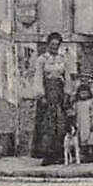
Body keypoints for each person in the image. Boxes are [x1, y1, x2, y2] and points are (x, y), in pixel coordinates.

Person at [30, 33, 73, 164]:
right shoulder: (42, 59)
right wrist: (41, 95)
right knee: (47, 124)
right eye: (52, 44)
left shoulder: (63, 59)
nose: (54, 47)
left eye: (57, 45)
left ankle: (59, 153)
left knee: (60, 123)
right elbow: (37, 77)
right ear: (48, 45)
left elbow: (67, 77)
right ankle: (47, 154)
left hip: (59, 93)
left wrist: (67, 93)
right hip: (47, 93)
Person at [71, 81, 93, 161]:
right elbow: (74, 112)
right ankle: (83, 155)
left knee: (90, 140)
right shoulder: (77, 103)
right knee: (81, 140)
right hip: (81, 124)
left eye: (86, 93)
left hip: (89, 124)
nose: (84, 95)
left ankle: (90, 154)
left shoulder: (91, 102)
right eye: (82, 93)